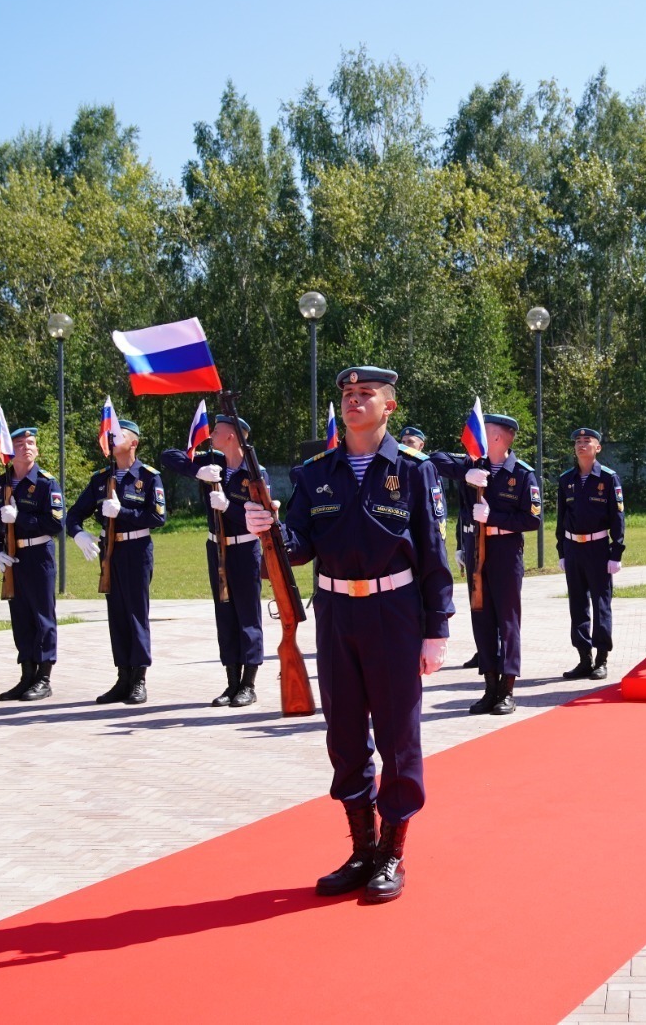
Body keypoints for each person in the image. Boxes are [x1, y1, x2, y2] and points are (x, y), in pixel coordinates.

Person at [247, 365, 452, 904]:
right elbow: (298, 545)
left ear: (389, 406)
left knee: (397, 737)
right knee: (344, 737)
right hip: (337, 613)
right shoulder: (315, 473)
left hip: (395, 614)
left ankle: (393, 852)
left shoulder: (413, 470)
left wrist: (437, 631)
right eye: (347, 393)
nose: (353, 401)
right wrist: (267, 525)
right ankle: (362, 848)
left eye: (366, 394)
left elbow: (433, 551)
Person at [430, 414, 542, 715]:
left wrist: (493, 518)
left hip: (505, 551)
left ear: (498, 437)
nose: (474, 435)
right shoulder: (473, 465)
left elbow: (532, 519)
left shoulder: (522, 474)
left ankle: (507, 689)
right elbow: (434, 459)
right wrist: (466, 476)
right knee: (482, 617)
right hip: (476, 549)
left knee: (507, 620)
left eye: (484, 430)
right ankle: (489, 686)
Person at [160, 413, 267, 707]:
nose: (212, 435)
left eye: (217, 430)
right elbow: (168, 457)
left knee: (247, 614)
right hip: (216, 548)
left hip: (244, 549)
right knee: (225, 614)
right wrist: (198, 473)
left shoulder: (255, 473)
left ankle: (248, 684)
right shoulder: (213, 463)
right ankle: (231, 683)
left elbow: (260, 517)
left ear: (232, 435)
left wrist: (229, 507)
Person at [66, 419, 165, 705]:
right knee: (117, 615)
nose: (111, 437)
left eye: (118, 434)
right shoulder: (100, 478)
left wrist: (123, 513)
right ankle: (123, 677)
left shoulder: (148, 477)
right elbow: (73, 515)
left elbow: (158, 517)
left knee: (135, 613)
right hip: (111, 552)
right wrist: (78, 534)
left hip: (136, 550)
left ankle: (139, 680)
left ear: (133, 443)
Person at [0, 428, 65, 701]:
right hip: (12, 559)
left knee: (42, 616)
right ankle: (26, 675)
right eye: (19, 444)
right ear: (9, 451)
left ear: (37, 450)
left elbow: (55, 523)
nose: (26, 448)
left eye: (31, 443)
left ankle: (43, 678)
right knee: (20, 617)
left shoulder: (46, 483)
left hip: (38, 554)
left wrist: (19, 518)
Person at [556, 428, 626, 681]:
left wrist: (615, 552)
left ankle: (601, 659)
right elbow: (561, 517)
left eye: (587, 441)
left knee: (600, 604)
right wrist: (562, 550)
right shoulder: (567, 480)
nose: (581, 445)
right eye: (577, 441)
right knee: (577, 604)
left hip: (598, 549)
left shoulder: (608, 478)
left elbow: (618, 517)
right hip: (573, 548)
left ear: (598, 448)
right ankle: (584, 658)